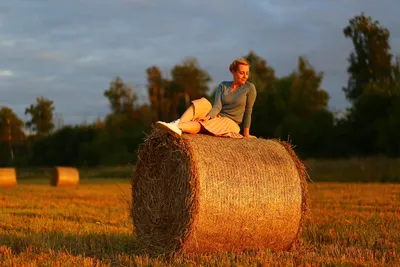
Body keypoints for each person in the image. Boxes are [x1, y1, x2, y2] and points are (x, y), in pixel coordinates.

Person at [156, 57, 257, 138]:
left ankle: (177, 127)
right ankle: (177, 124)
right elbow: (217, 106)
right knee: (203, 102)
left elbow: (248, 111)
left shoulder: (249, 88)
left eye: (247, 73)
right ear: (233, 72)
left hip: (231, 123)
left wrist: (246, 133)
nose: (245, 76)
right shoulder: (223, 85)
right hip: (218, 115)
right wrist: (209, 116)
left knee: (202, 124)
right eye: (242, 73)